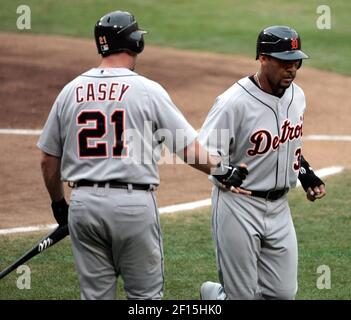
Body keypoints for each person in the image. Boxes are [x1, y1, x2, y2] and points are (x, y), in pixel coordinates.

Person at [37, 10, 246, 300]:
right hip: (132, 206)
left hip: (83, 205)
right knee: (145, 299)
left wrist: (60, 204)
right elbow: (186, 148)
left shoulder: (70, 91)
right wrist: (222, 169)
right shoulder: (147, 90)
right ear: (135, 42)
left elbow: (48, 159)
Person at [198, 25, 326, 300]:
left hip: (280, 208)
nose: (291, 69)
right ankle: (219, 296)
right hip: (238, 207)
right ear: (263, 58)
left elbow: (286, 144)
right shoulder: (232, 102)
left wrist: (305, 172)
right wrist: (222, 173)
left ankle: (216, 296)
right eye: (284, 62)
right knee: (241, 296)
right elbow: (203, 152)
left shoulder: (297, 96)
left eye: (296, 62)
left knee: (282, 294)